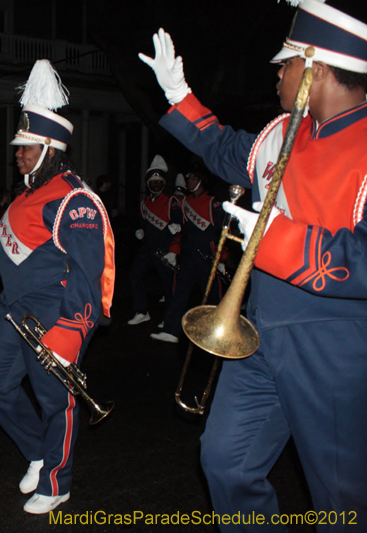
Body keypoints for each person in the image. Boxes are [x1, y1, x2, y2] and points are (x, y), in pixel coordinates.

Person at [139, 1, 367, 528]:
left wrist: (271, 238)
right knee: (225, 461)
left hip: (334, 350)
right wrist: (178, 95)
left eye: (285, 64)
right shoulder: (280, 135)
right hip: (259, 336)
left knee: (342, 502)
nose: (277, 73)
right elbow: (220, 146)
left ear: (317, 67)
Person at [0, 60, 115, 514]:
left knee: (55, 400)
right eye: (18, 147)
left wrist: (70, 331)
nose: (18, 154)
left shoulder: (75, 200)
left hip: (54, 309)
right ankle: (38, 452)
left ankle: (58, 480)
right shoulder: (26, 194)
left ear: (51, 149)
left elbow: (89, 275)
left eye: (27, 148)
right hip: (12, 307)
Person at [150, 165, 225, 343]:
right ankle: (171, 330)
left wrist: (222, 258)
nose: (188, 181)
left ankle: (221, 332)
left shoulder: (213, 202)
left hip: (207, 255)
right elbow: (183, 230)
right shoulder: (186, 202)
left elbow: (222, 232)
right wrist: (176, 241)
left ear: (200, 181)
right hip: (189, 256)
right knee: (180, 292)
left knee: (213, 296)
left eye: (192, 178)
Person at [126, 155, 183, 326]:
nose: (155, 184)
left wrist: (174, 250)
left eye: (159, 182)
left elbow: (180, 224)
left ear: (164, 183)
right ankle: (142, 311)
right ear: (148, 184)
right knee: (134, 274)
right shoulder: (144, 204)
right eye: (152, 182)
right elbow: (142, 223)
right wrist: (140, 231)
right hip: (148, 249)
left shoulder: (171, 201)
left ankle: (171, 319)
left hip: (165, 249)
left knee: (168, 285)